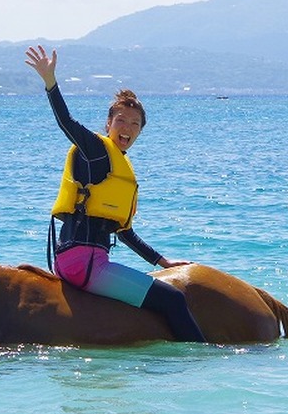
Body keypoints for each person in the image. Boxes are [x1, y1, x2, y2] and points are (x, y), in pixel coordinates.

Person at [25, 44, 206, 342]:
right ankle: (204, 357)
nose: (127, 128)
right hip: (84, 265)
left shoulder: (117, 166)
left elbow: (124, 233)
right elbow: (67, 123)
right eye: (121, 120)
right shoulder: (96, 151)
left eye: (135, 124)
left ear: (140, 132)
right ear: (108, 124)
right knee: (173, 299)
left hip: (80, 262)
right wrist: (50, 82)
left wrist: (162, 262)